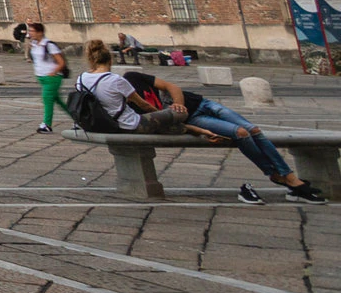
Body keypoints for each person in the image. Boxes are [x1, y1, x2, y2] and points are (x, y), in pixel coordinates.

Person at [128, 65, 324, 204]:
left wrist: (178, 104)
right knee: (240, 132)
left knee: (254, 129)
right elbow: (164, 125)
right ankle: (279, 176)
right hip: (194, 120)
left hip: (202, 103)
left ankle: (287, 176)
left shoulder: (132, 77)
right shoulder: (133, 107)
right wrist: (201, 132)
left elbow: (172, 87)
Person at [27, 22, 68, 134]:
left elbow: (61, 62)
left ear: (40, 32)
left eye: (32, 31)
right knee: (59, 102)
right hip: (42, 78)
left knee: (47, 100)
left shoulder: (49, 45)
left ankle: (46, 124)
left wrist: (53, 72)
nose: (30, 33)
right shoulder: (34, 44)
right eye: (29, 31)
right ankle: (79, 119)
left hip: (52, 78)